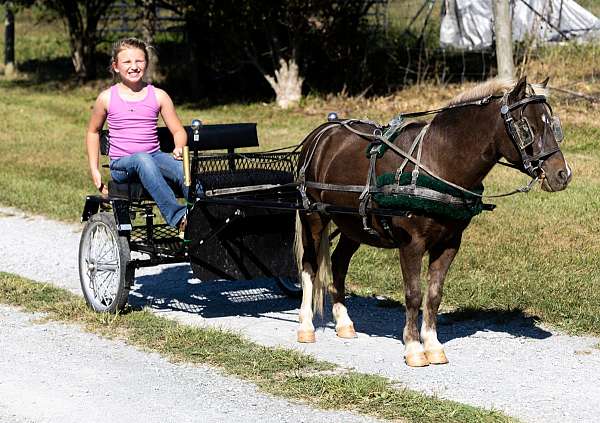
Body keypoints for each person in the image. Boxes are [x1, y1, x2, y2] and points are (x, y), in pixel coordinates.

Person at [85, 37, 188, 233]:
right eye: (127, 62)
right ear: (116, 66)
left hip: (154, 156)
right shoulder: (107, 97)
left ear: (146, 63)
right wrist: (94, 169)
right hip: (122, 164)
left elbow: (178, 131)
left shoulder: (158, 95)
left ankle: (202, 214)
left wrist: (178, 147)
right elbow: (93, 131)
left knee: (183, 170)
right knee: (142, 159)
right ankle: (178, 217)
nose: (134, 66)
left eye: (139, 61)